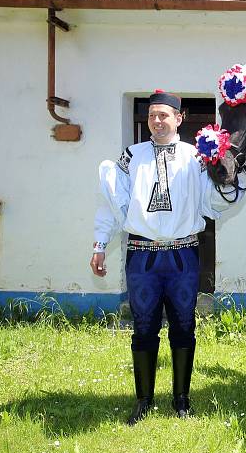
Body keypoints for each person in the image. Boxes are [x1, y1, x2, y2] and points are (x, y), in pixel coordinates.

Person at [91, 90, 234, 426]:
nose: (157, 121)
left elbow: (213, 202)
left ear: (178, 118)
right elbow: (112, 205)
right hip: (142, 257)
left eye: (164, 115)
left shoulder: (196, 157)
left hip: (183, 255)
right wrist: (99, 244)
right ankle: (143, 401)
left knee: (184, 327)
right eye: (152, 115)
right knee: (143, 328)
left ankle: (181, 401)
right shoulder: (131, 156)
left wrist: (227, 176)